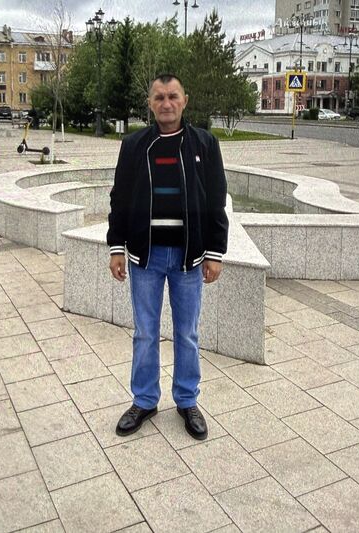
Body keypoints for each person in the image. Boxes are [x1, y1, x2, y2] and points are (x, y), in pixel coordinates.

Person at [107, 74, 228, 440]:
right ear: (150, 103)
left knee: (187, 333)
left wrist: (215, 252)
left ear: (184, 100)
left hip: (188, 258)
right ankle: (144, 400)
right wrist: (116, 246)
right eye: (159, 97)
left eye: (173, 96)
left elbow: (216, 199)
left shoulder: (204, 144)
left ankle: (187, 400)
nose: (166, 103)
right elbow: (120, 198)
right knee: (145, 332)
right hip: (145, 257)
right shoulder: (134, 145)